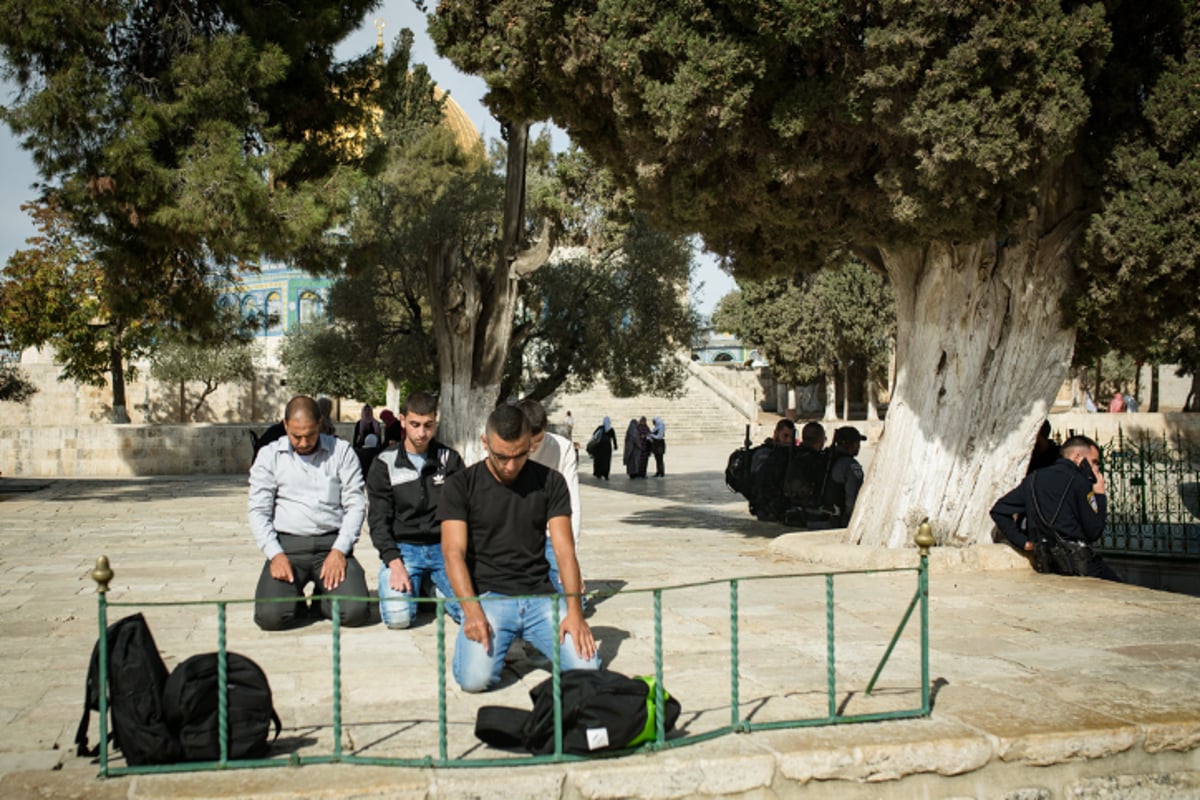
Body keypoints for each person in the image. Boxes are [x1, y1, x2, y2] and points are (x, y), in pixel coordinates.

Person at [439, 404, 601, 693]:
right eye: (501, 457)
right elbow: (453, 553)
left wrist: (574, 612)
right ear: (485, 443)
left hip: (540, 596)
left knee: (587, 669)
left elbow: (565, 551)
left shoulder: (551, 482)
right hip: (489, 596)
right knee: (474, 680)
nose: (511, 466)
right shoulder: (460, 485)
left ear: (530, 444)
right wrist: (472, 610)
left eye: (520, 455)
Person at [248, 395, 371, 630]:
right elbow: (258, 511)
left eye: (310, 435)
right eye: (296, 436)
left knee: (355, 612)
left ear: (321, 424)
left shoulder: (342, 451)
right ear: (285, 426)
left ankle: (321, 602)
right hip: (288, 546)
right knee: (270, 617)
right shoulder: (269, 456)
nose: (303, 442)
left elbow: (355, 504)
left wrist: (339, 550)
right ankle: (293, 601)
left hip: (331, 544)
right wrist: (275, 554)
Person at [366, 391, 465, 629]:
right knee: (398, 619)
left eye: (428, 425)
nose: (422, 433)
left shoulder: (449, 460)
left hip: (444, 549)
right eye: (415, 425)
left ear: (435, 421)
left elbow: (463, 513)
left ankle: (431, 588)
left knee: (470, 611)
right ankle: (418, 586)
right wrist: (394, 562)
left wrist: (460, 558)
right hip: (404, 551)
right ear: (402, 420)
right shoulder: (384, 463)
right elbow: (378, 521)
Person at [990, 435, 1121, 581]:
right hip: (1080, 565)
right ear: (1077, 457)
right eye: (1094, 462)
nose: (1095, 468)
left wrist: (1023, 542)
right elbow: (1093, 532)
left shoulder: (1033, 479)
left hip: (1046, 564)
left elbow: (999, 510)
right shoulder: (1080, 482)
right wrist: (1100, 495)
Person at [518, 400, 583, 596]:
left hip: (551, 535)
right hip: (516, 538)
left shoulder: (563, 449)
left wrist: (571, 558)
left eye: (537, 442)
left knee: (574, 600)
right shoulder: (507, 449)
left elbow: (572, 504)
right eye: (527, 442)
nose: (531, 449)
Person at [748, 419, 797, 521]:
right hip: (765, 508)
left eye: (791, 437)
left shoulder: (792, 454)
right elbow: (758, 482)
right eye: (785, 436)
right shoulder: (764, 454)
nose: (788, 440)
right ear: (776, 433)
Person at [827, 426, 867, 527]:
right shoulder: (851, 465)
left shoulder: (827, 458)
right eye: (857, 443)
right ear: (851, 444)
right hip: (839, 521)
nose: (859, 447)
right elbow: (852, 500)